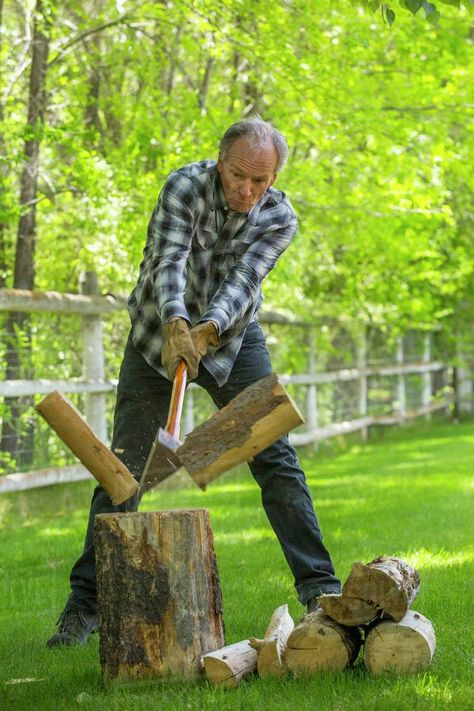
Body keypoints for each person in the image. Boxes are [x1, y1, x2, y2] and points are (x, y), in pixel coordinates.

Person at [47, 117, 341, 647]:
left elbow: (245, 280)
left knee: (274, 456)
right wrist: (178, 324)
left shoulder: (279, 217)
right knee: (124, 472)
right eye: (236, 176)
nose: (246, 190)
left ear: (274, 179)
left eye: (260, 181)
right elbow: (169, 260)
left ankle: (321, 590)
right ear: (220, 161)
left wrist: (208, 329)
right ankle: (84, 607)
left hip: (233, 338)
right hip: (156, 334)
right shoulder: (185, 186)